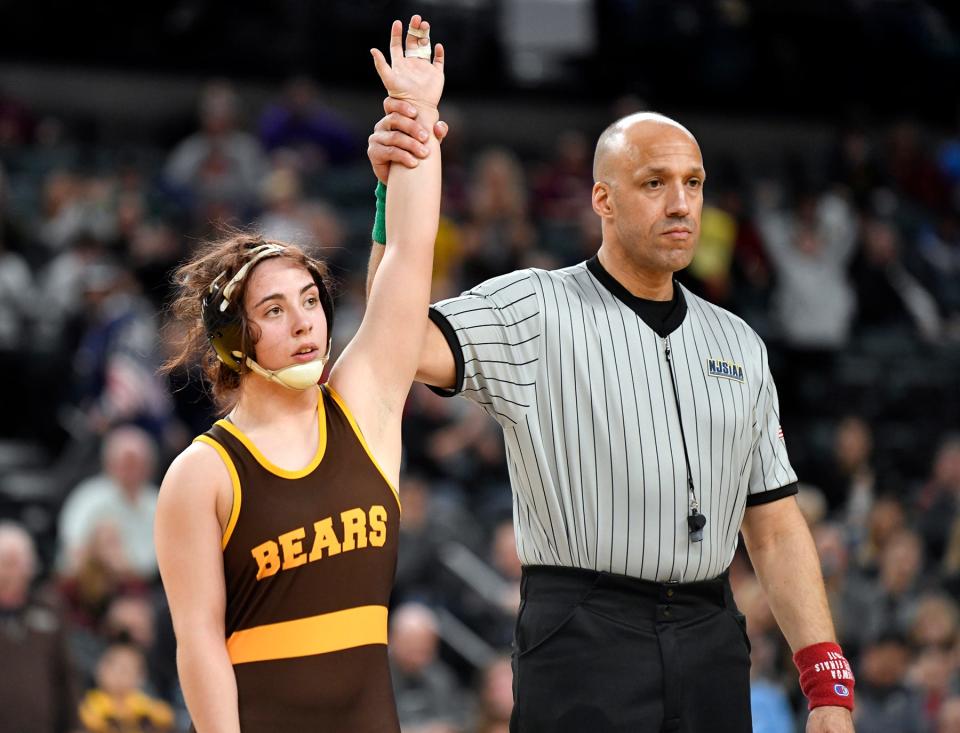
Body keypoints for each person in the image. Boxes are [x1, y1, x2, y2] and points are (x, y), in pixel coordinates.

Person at [366, 108, 856, 731]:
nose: (680, 203)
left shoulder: (740, 342)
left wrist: (825, 680)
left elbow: (775, 526)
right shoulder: (534, 307)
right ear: (603, 198)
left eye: (694, 183)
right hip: (582, 631)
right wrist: (393, 196)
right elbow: (390, 342)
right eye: (655, 183)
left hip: (712, 634)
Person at [154, 16, 445, 732]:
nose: (306, 321)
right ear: (234, 338)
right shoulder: (202, 475)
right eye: (276, 309)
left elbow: (409, 253)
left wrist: (417, 116)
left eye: (311, 301)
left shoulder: (364, 406)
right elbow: (199, 644)